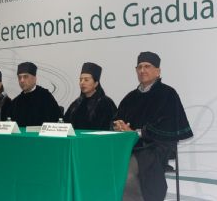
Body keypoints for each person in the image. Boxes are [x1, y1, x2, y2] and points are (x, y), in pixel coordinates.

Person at [113, 52, 193, 201]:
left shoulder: (168, 94)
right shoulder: (130, 97)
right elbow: (117, 118)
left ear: (158, 71)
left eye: (147, 66)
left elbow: (168, 126)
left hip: (155, 146)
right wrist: (118, 126)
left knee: (126, 174)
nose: (142, 70)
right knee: (106, 167)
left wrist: (137, 133)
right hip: (128, 147)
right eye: (140, 67)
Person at [64, 62, 117, 130]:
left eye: (86, 80)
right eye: (80, 80)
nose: (82, 83)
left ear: (96, 83)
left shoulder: (106, 103)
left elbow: (111, 128)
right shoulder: (76, 103)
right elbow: (65, 124)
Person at [10, 62, 61, 126]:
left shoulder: (45, 96)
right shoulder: (16, 102)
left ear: (34, 79)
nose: (22, 80)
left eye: (25, 77)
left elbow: (57, 121)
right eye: (19, 77)